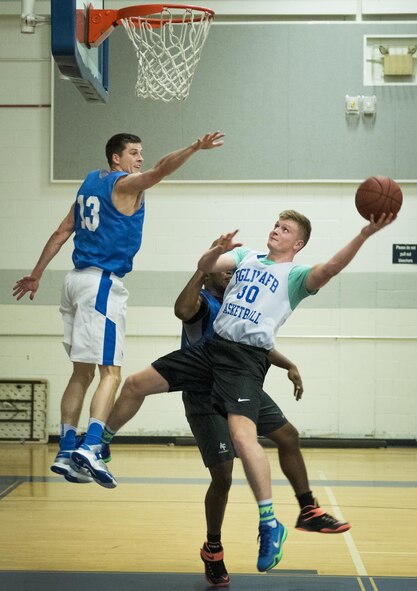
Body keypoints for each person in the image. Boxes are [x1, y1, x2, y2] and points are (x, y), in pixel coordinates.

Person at [96, 208, 395, 572]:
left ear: (297, 243)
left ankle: (271, 523)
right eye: (275, 225)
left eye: (285, 229)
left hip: (243, 361)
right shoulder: (245, 256)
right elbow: (205, 263)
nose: (276, 230)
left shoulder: (296, 276)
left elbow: (330, 268)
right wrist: (214, 252)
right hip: (211, 350)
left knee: (246, 439)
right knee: (134, 383)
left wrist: (364, 234)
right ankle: (100, 446)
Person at [12, 130, 224, 488]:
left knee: (81, 373)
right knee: (111, 373)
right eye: (133, 153)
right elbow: (160, 170)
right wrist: (193, 147)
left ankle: (66, 450)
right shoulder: (125, 185)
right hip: (101, 285)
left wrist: (36, 274)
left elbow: (63, 230)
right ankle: (92, 446)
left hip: (74, 282)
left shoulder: (90, 182)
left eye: (141, 152)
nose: (139, 159)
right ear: (116, 159)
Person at [172, 263, 350, 586]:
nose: (231, 274)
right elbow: (182, 310)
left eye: (232, 270)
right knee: (223, 476)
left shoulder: (236, 303)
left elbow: (259, 343)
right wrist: (199, 269)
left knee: (288, 436)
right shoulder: (201, 303)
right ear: (208, 274)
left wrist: (289, 364)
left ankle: (308, 509)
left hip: (239, 387)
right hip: (204, 394)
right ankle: (213, 548)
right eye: (224, 270)